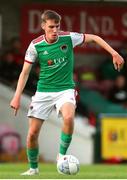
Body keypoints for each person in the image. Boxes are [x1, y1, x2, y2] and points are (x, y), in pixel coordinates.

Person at [10, 10, 124, 175]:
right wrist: (16, 96)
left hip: (65, 89)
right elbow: (25, 72)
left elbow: (94, 37)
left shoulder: (69, 38)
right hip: (43, 92)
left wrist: (114, 53)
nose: (55, 30)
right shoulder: (35, 45)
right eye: (51, 27)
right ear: (43, 26)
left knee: (69, 117)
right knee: (32, 134)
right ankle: (33, 169)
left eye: (57, 26)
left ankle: (61, 156)